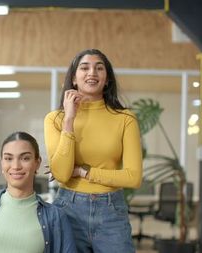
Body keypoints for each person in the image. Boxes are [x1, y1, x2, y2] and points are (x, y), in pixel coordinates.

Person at [44, 48, 142, 253]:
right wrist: (69, 119)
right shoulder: (55, 119)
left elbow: (133, 178)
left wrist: (82, 172)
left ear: (107, 80)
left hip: (111, 212)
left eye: (99, 68)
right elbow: (61, 173)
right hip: (68, 209)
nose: (92, 73)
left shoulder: (125, 119)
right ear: (74, 78)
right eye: (84, 67)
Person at [0, 131, 77, 253]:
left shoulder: (55, 217)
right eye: (8, 158)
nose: (16, 166)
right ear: (2, 162)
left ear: (37, 163)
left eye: (25, 158)